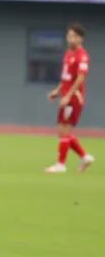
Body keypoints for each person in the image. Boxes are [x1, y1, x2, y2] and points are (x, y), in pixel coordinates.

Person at [45, 23, 94, 173]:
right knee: (62, 131)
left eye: (74, 36)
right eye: (69, 36)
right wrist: (57, 90)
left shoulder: (82, 56)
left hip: (73, 98)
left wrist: (68, 96)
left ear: (80, 38)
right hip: (67, 95)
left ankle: (61, 165)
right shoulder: (68, 53)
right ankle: (85, 157)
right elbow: (66, 77)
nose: (70, 39)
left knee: (64, 130)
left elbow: (81, 78)